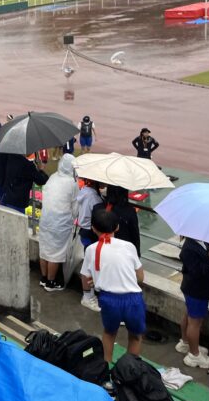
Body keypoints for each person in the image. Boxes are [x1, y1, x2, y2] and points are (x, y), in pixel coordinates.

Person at [80, 210, 145, 363]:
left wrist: (92, 288)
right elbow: (140, 277)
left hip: (108, 299)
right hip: (133, 299)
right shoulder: (129, 246)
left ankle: (106, 367)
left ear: (93, 228)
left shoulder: (91, 250)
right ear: (117, 227)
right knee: (135, 337)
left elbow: (85, 277)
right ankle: (130, 368)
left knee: (109, 333)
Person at [38, 154, 78, 291]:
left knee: (44, 250)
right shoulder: (72, 183)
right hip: (60, 222)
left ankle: (44, 278)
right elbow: (75, 207)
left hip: (45, 219)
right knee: (55, 253)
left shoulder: (53, 177)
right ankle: (51, 282)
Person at [177, 238, 209, 368]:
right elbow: (197, 271)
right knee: (195, 322)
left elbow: (208, 261)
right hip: (196, 290)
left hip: (193, 288)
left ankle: (185, 342)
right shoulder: (188, 248)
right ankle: (194, 355)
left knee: (189, 315)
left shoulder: (201, 242)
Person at [77, 178, 104, 312]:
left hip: (84, 231)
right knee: (89, 265)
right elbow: (98, 216)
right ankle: (87, 296)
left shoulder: (85, 191)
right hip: (90, 233)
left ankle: (89, 294)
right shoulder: (94, 198)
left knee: (89, 263)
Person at [94, 186, 140, 257]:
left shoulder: (97, 208)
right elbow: (135, 234)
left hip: (101, 249)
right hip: (123, 250)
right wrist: (137, 254)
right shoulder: (130, 211)